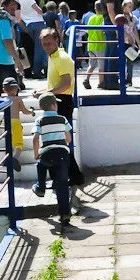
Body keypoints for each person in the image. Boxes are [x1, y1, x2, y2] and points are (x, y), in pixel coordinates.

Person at [33, 28, 84, 185]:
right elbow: (57, 84)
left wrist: (46, 93)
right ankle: (71, 176)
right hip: (57, 100)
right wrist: (42, 91)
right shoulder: (53, 57)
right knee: (57, 141)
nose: (47, 46)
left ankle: (70, 176)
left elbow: (65, 84)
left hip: (61, 101)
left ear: (57, 40)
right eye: (44, 44)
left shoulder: (61, 58)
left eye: (49, 43)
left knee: (60, 142)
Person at [32, 93, 72, 228]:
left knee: (40, 164)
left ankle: (40, 187)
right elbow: (69, 138)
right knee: (62, 185)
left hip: (47, 153)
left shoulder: (39, 120)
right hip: (62, 154)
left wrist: (36, 153)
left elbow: (35, 138)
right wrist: (64, 143)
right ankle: (65, 214)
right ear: (54, 105)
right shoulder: (62, 119)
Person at [99, 0, 124, 89]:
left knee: (110, 53)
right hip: (111, 25)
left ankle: (108, 81)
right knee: (113, 54)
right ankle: (112, 82)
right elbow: (111, 10)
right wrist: (117, 27)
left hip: (108, 25)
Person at [15, 0, 46, 78]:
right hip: (38, 23)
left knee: (30, 48)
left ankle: (28, 70)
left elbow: (18, 18)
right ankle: (37, 71)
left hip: (27, 25)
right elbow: (39, 10)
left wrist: (24, 28)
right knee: (39, 49)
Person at [2, 77, 33, 172]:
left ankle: (6, 158)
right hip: (15, 123)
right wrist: (31, 111)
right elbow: (24, 111)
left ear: (4, 89)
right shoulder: (18, 99)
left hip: (6, 123)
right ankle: (14, 158)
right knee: (19, 143)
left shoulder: (3, 99)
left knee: (9, 142)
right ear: (16, 89)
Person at [120, 0, 140, 86]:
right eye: (129, 6)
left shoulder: (133, 17)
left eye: (132, 6)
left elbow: (134, 30)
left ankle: (129, 80)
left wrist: (138, 42)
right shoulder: (120, 18)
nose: (131, 8)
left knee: (130, 61)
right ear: (124, 7)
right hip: (122, 42)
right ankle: (121, 79)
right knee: (121, 61)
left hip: (131, 43)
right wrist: (126, 36)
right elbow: (119, 30)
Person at [83, 2, 105, 89]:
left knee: (91, 65)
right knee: (101, 65)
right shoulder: (103, 18)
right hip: (100, 44)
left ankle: (86, 79)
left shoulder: (91, 18)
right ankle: (101, 82)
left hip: (91, 44)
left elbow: (87, 31)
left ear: (95, 9)